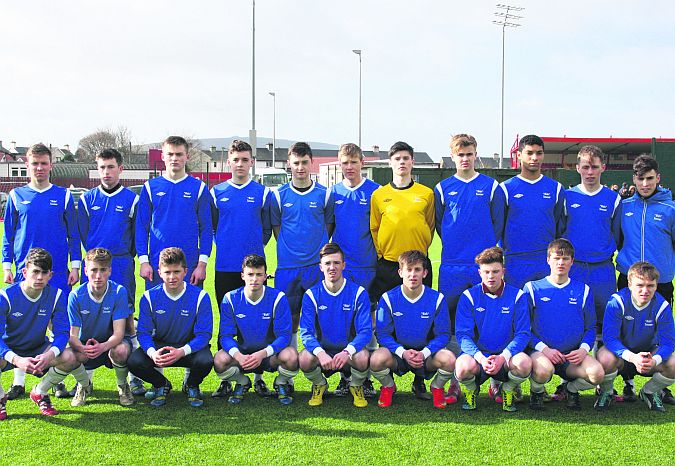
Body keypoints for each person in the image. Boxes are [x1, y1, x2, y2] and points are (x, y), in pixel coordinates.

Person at [2, 143, 81, 401]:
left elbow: (73, 234)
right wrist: (7, 265)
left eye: (44, 163)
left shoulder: (64, 196)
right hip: (28, 270)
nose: (39, 168)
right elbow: (9, 235)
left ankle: (55, 381)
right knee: (22, 321)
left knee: (55, 322)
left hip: (56, 270)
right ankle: (18, 381)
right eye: (34, 163)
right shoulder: (16, 195)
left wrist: (76, 265)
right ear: (27, 164)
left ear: (51, 165)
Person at [434, 134, 504, 403]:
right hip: (452, 266)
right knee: (451, 323)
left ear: (476, 154)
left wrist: (484, 256)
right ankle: (454, 379)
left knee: (489, 320)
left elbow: (497, 224)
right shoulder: (443, 188)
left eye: (469, 153)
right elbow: (441, 225)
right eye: (460, 154)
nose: (465, 158)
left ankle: (496, 380)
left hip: (482, 267)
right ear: (452, 156)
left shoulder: (491, 187)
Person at [370, 141, 435, 399]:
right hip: (389, 264)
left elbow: (429, 226)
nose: (402, 162)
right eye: (397, 158)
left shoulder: (426, 193)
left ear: (412, 162)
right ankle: (386, 375)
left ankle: (420, 379)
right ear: (390, 162)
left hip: (419, 265)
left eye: (406, 158)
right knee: (384, 319)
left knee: (424, 320)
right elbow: (375, 228)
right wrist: (386, 254)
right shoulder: (379, 195)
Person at [77, 148, 145, 396]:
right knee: (90, 318)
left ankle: (134, 376)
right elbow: (83, 234)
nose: (106, 172)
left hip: (122, 265)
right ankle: (85, 378)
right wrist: (94, 259)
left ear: (120, 169)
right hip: (95, 264)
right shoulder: (86, 199)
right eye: (102, 167)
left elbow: (137, 235)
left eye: (111, 167)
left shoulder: (131, 199)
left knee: (127, 320)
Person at [210, 139, 272, 398]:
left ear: (252, 162)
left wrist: (253, 253)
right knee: (228, 322)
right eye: (236, 159)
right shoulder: (216, 192)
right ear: (229, 162)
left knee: (258, 323)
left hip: (255, 270)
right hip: (225, 266)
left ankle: (257, 377)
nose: (240, 164)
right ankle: (230, 377)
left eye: (245, 159)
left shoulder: (263, 193)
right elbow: (214, 227)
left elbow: (267, 229)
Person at [615, 155, 675, 403]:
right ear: (634, 180)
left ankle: (659, 386)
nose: (645, 184)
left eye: (650, 178)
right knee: (626, 331)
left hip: (659, 284)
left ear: (658, 178)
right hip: (628, 281)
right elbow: (618, 241)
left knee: (659, 333)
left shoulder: (670, 209)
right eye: (640, 179)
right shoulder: (625, 207)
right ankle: (627, 382)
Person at [270, 142, 335, 361]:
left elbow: (328, 226)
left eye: (304, 162)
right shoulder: (278, 196)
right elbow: (277, 229)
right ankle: (287, 375)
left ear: (311, 162)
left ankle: (318, 367)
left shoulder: (324, 195)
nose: (300, 167)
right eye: (296, 163)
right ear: (289, 164)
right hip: (288, 267)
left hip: (316, 268)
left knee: (319, 317)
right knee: (289, 318)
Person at [524, 239, 607, 410]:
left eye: (565, 258)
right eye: (556, 258)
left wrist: (583, 349)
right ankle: (537, 391)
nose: (561, 263)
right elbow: (523, 329)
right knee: (543, 371)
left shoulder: (583, 290)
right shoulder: (533, 288)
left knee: (597, 375)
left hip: (571, 356)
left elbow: (590, 327)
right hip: (542, 353)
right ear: (548, 260)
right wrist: (544, 349)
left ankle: (571, 389)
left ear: (572, 261)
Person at [128, 247, 213, 408]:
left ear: (185, 271)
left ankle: (191, 385)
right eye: (167, 272)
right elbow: (144, 333)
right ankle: (161, 384)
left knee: (206, 360)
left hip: (188, 348)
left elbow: (204, 335)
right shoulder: (149, 297)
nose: (172, 277)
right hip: (161, 347)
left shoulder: (201, 296)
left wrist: (182, 351)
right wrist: (153, 353)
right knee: (134, 361)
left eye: (177, 271)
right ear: (159, 272)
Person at [370, 250, 455, 409]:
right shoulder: (388, 298)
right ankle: (388, 386)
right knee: (376, 359)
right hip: (398, 355)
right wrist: (402, 352)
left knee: (449, 359)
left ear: (425, 273)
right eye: (408, 270)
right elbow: (382, 334)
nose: (412, 274)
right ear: (400, 272)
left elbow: (443, 334)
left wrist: (424, 353)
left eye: (417, 269)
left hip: (425, 355)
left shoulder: (437, 299)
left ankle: (437, 387)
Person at [0, 248, 79, 419]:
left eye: (44, 273)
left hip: (38, 350)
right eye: (35, 272)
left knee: (70, 357)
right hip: (9, 351)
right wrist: (16, 359)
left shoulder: (56, 295)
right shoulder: (5, 296)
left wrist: (50, 354)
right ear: (24, 271)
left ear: (50, 275)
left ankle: (40, 392)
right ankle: (0, 398)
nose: (39, 277)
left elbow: (62, 333)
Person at [213, 254, 298, 405]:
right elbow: (225, 336)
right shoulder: (230, 298)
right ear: (242, 276)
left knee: (291, 356)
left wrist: (262, 354)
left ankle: (280, 382)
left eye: (259, 274)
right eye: (250, 274)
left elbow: (284, 336)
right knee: (219, 360)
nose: (254, 279)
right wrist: (239, 356)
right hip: (243, 355)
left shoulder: (278, 297)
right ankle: (243, 382)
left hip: (269, 355)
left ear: (265, 276)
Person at [329, 143, 380, 397]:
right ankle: (344, 376)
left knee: (368, 324)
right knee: (345, 323)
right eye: (344, 163)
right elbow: (328, 229)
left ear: (362, 163)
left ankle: (366, 378)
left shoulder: (375, 192)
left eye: (353, 162)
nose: (349, 167)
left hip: (368, 267)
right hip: (343, 269)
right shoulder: (333, 193)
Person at [454, 247, 531, 412]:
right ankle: (471, 389)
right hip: (479, 356)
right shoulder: (469, 296)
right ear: (479, 272)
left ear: (503, 271)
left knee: (524, 363)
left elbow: (523, 333)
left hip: (506, 357)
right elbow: (463, 335)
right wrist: (481, 359)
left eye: (495, 271)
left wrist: (503, 357)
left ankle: (508, 389)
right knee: (461, 367)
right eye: (486, 272)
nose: (491, 276)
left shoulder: (517, 296)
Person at [299, 243, 372, 408]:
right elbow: (306, 332)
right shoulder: (311, 295)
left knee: (362, 357)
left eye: (336, 263)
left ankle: (355, 385)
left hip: (348, 354)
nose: (332, 267)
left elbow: (365, 331)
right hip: (323, 354)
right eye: (327, 263)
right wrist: (320, 353)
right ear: (320, 267)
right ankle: (320, 384)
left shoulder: (358, 293)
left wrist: (348, 351)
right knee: (304, 358)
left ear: (343, 265)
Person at [595, 262, 675, 412]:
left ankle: (649, 392)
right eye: (640, 285)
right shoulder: (617, 302)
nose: (645, 290)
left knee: (674, 362)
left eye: (650, 285)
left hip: (648, 357)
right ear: (630, 284)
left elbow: (668, 343)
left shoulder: (662, 306)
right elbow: (610, 338)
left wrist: (654, 360)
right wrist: (633, 358)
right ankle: (607, 391)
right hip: (622, 357)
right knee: (604, 357)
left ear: (656, 286)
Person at [136, 135, 213, 289]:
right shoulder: (150, 187)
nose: (174, 158)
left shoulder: (199, 188)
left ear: (187, 157)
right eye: (170, 154)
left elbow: (206, 229)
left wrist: (202, 265)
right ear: (163, 156)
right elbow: (141, 227)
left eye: (179, 154)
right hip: (158, 264)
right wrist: (144, 262)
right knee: (157, 310)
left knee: (190, 310)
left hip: (189, 264)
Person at [67, 248, 134, 407]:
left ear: (110, 270)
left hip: (111, 344)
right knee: (68, 355)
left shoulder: (119, 292)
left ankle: (122, 386)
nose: (98, 276)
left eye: (103, 270)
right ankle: (83, 386)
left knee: (121, 350)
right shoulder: (76, 296)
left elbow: (118, 334)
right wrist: (84, 349)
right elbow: (73, 336)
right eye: (93, 270)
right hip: (86, 346)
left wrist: (102, 346)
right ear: (85, 271)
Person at [497, 135, 565, 290]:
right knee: (517, 309)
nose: (534, 157)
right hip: (516, 260)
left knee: (546, 310)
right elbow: (499, 226)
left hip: (546, 260)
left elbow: (558, 225)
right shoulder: (506, 188)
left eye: (539, 153)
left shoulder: (556, 188)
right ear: (519, 155)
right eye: (529, 153)